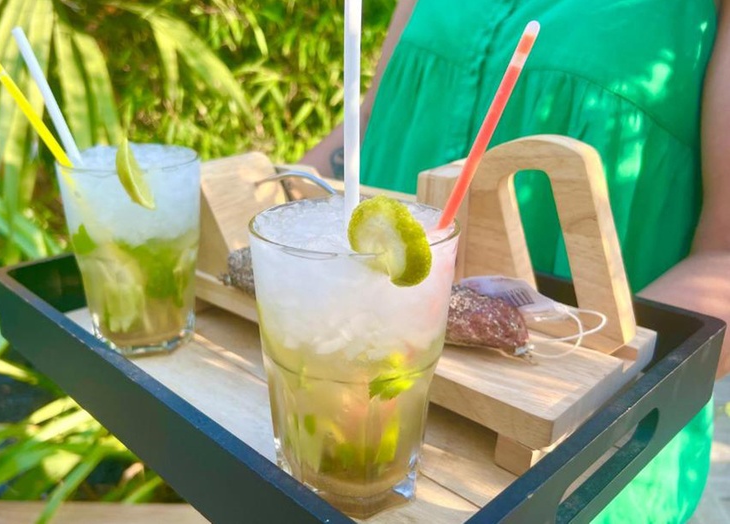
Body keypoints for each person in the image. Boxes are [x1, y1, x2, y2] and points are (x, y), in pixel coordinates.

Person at [299, 0, 730, 521]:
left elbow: (722, 259)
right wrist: (273, 212)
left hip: (575, 478)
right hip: (342, 405)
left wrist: (559, 392)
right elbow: (365, 124)